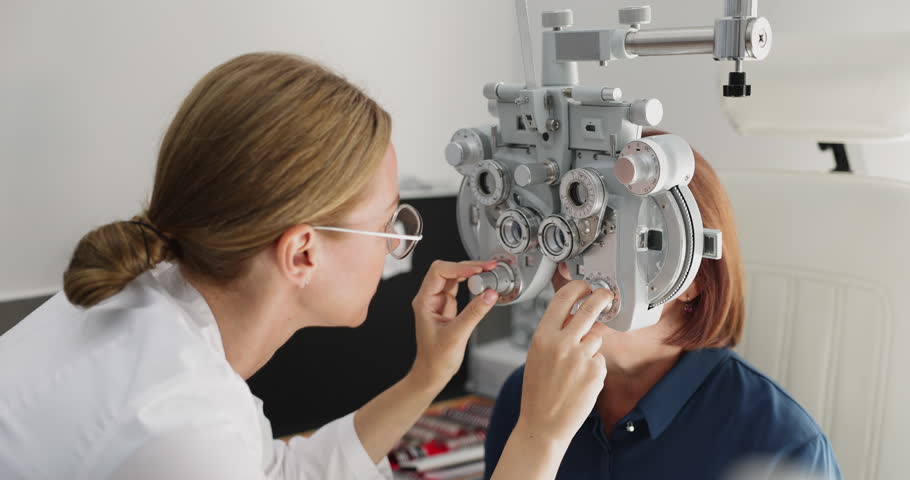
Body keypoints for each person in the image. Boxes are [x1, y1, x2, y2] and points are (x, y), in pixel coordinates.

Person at [0, 52, 610, 480]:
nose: (397, 244)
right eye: (384, 224)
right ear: (302, 253)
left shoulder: (154, 302)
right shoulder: (176, 425)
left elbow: (276, 472)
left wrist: (425, 377)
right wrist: (541, 437)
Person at [483, 132, 843, 480]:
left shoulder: (784, 447)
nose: (566, 270)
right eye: (566, 238)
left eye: (607, 245)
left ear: (693, 279)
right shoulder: (529, 396)